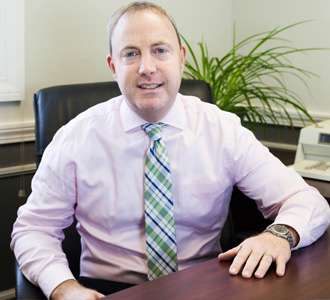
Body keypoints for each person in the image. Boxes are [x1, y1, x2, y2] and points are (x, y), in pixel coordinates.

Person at [11, 2, 330, 300]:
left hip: (204, 286)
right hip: (109, 292)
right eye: (131, 54)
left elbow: (305, 199)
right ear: (113, 66)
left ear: (181, 57)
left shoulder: (223, 130)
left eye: (159, 50)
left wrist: (278, 235)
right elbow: (33, 230)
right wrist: (65, 288)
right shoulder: (75, 139)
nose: (147, 67)